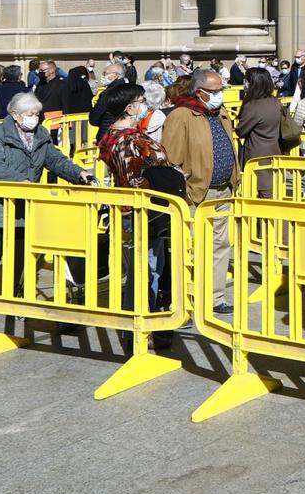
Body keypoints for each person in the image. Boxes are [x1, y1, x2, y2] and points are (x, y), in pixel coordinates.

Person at [89, 83, 183, 339]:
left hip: (127, 208)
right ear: (130, 108)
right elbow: (136, 177)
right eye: (140, 101)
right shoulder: (131, 138)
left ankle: (137, 324)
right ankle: (141, 329)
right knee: (148, 268)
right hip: (143, 210)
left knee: (140, 268)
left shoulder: (110, 134)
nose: (144, 106)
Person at [163, 66, 239, 312]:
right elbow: (171, 158)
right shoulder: (182, 115)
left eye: (221, 89)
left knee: (220, 245)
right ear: (200, 92)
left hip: (222, 191)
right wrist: (182, 188)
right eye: (215, 90)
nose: (220, 94)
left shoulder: (221, 113)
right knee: (191, 247)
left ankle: (215, 298)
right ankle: (186, 296)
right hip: (195, 192)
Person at [235, 70, 287, 166]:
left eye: (246, 81)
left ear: (252, 84)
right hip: (276, 151)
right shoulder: (275, 102)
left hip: (256, 156)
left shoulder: (252, 105)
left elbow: (240, 131)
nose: (244, 84)